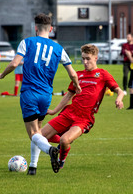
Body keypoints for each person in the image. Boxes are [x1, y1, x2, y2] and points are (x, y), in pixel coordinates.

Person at [0, 13, 81, 175]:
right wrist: (76, 85)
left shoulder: (27, 42)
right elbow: (73, 74)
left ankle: (50, 151)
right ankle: (33, 168)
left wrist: (2, 75)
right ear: (51, 29)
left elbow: (14, 63)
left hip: (29, 92)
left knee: (33, 133)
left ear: (35, 28)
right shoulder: (59, 48)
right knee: (39, 130)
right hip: (46, 95)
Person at [31, 44, 124, 174]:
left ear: (96, 58)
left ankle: (61, 160)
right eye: (83, 59)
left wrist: (119, 98)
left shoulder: (102, 74)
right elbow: (68, 96)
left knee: (64, 140)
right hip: (69, 113)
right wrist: (53, 111)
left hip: (84, 118)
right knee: (38, 136)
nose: (85, 62)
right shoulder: (78, 75)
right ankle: (61, 147)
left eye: (88, 59)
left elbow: (120, 91)